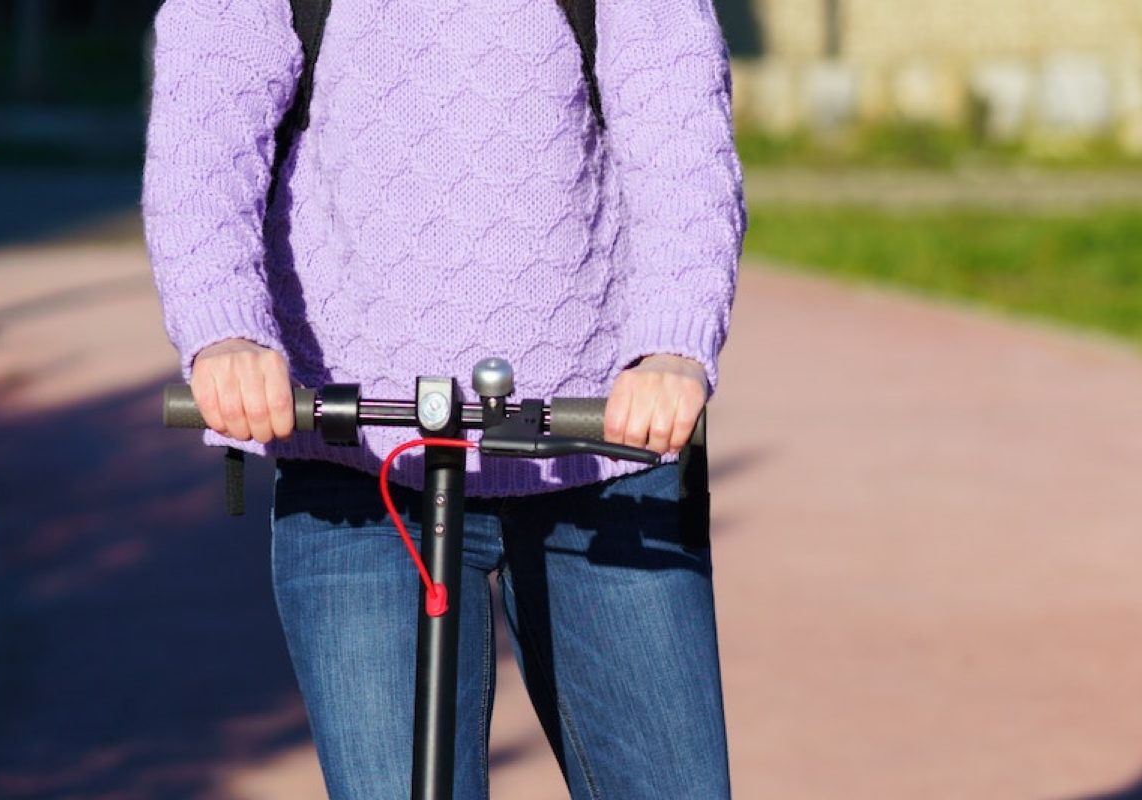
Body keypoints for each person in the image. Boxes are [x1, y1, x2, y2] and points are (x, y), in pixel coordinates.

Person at [143, 0, 743, 796]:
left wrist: (671, 345)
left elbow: (680, 130)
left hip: (599, 450)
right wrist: (226, 334)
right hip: (362, 466)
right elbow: (203, 138)